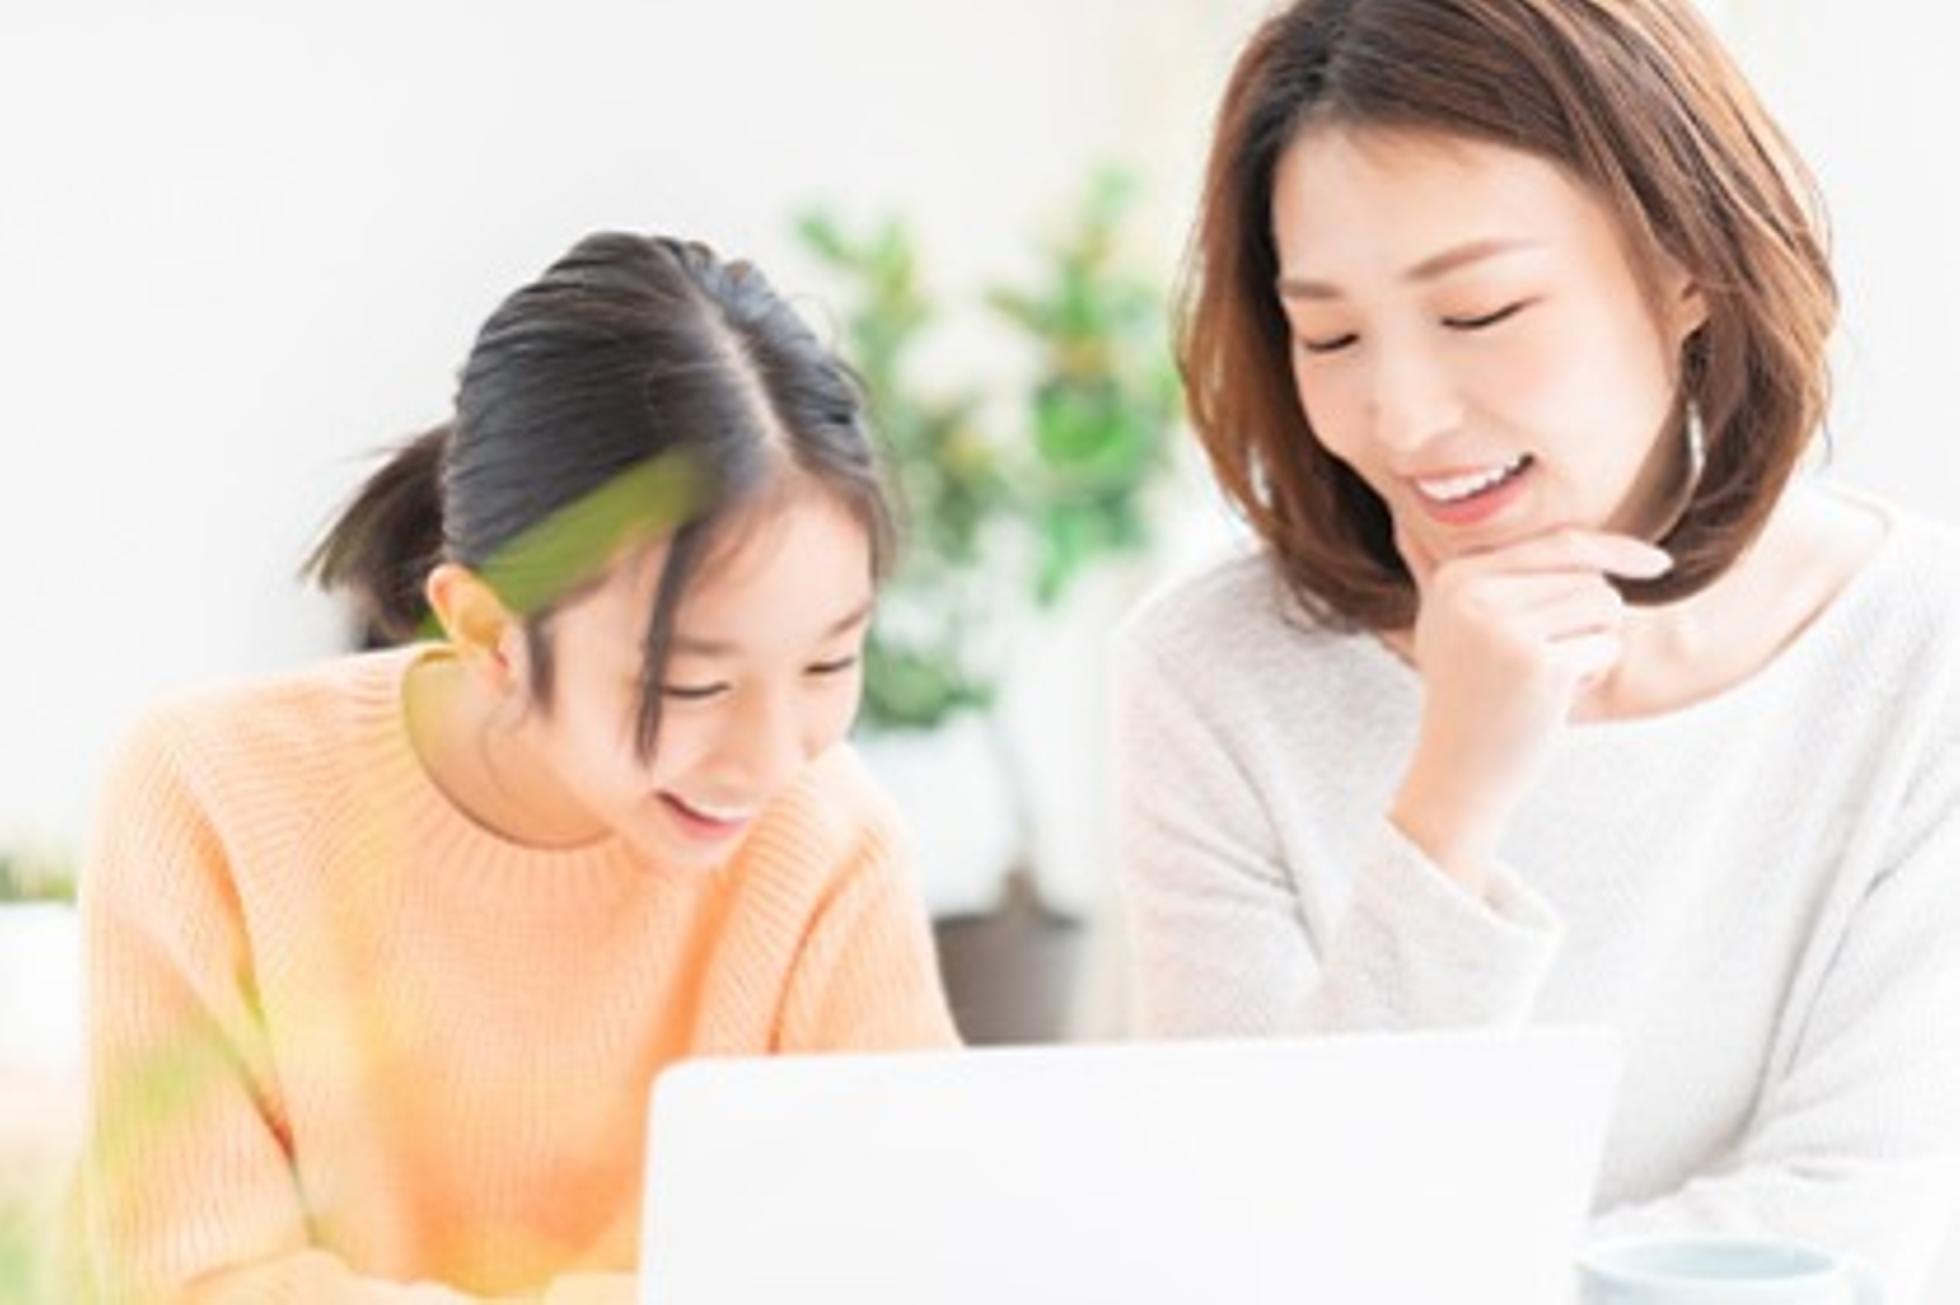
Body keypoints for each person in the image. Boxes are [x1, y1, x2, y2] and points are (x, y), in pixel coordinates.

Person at [1115, 0, 1960, 1296]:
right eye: (1329, 335)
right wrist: (1451, 800)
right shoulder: (1210, 677)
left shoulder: (1916, 643)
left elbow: (1854, 1215)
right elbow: (1260, 1232)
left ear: (1686, 266)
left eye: (1480, 310)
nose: (1403, 415)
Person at [78, 232, 959, 1302]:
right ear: (490, 631)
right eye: (691, 685)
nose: (770, 760)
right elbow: (193, 1278)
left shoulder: (830, 845)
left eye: (829, 662)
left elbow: (897, 1256)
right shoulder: (210, 794)